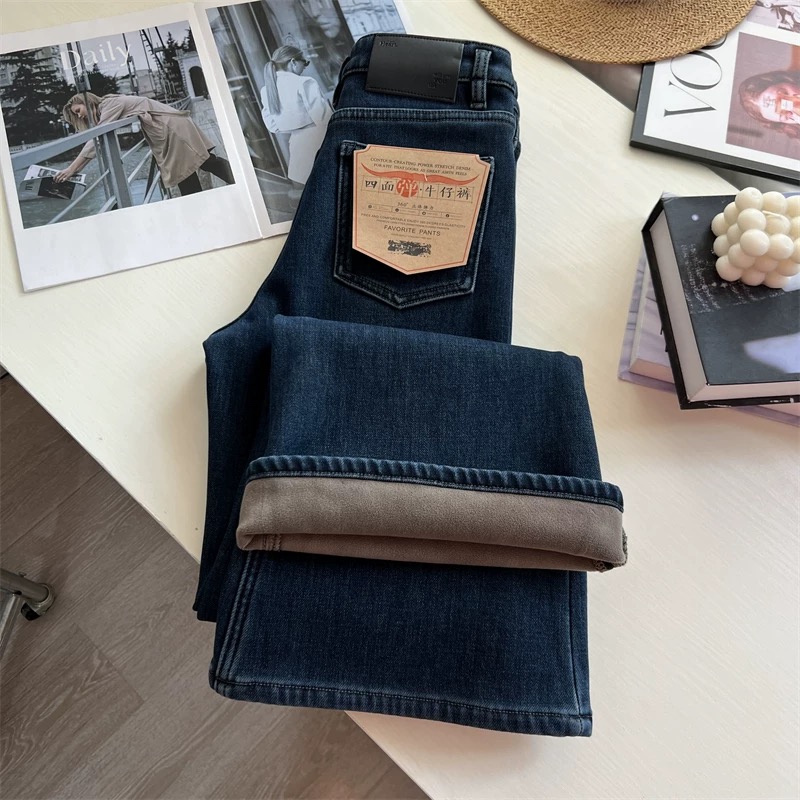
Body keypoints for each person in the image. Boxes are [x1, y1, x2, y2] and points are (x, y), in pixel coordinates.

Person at [55, 92, 235, 196]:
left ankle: (236, 179)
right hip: (170, 127)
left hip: (171, 129)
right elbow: (97, 141)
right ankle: (236, 179)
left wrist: (71, 169)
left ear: (86, 101)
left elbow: (97, 139)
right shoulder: (108, 106)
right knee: (195, 167)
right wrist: (74, 170)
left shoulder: (109, 104)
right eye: (76, 115)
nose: (79, 115)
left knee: (192, 170)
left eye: (78, 110)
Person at [260, 45, 332, 187]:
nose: (305, 66)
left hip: (296, 145)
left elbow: (273, 127)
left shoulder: (266, 90)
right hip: (318, 141)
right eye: (304, 62)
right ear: (293, 62)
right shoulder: (305, 82)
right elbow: (324, 119)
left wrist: (295, 127)